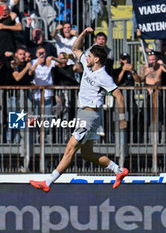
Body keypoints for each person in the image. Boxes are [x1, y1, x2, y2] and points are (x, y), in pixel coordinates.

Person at [30, 27, 129, 192]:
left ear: (97, 59)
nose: (86, 57)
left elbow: (119, 96)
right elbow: (75, 48)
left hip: (89, 115)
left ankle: (47, 182)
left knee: (70, 148)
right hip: (85, 114)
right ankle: (118, 170)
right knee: (87, 154)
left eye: (90, 55)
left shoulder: (104, 76)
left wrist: (122, 118)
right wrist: (83, 33)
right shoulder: (87, 65)